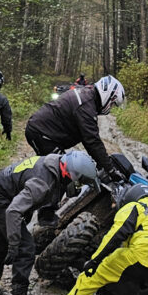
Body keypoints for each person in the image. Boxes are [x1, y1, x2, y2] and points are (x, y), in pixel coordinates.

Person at [0, 151, 100, 295]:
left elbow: (50, 196)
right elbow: (14, 211)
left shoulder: (56, 166)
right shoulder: (42, 183)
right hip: (2, 200)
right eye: (80, 182)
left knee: (1, 245)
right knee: (25, 248)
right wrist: (14, 243)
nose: (79, 185)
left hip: (1, 191)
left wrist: (49, 216)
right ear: (71, 174)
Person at [24, 75, 125, 224]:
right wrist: (109, 169)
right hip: (43, 133)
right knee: (61, 171)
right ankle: (42, 213)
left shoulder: (88, 97)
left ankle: (33, 207)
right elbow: (92, 140)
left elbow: (90, 140)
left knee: (56, 170)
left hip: (43, 131)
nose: (111, 108)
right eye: (112, 103)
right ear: (107, 94)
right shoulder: (86, 104)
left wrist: (102, 163)